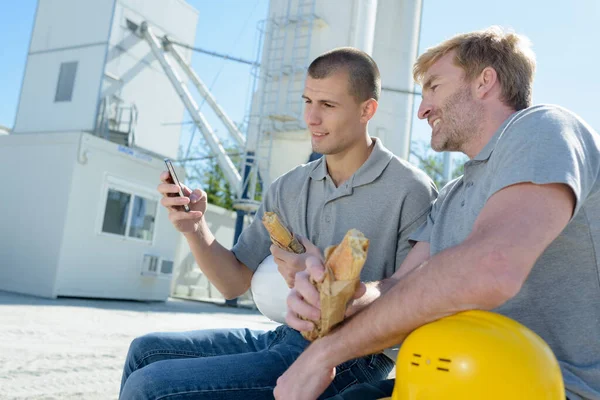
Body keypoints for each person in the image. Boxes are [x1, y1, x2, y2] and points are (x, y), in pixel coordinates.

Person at [277, 26, 600, 400]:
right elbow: (398, 286)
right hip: (450, 381)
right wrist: (340, 298)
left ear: (485, 81)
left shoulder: (543, 127)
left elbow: (491, 266)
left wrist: (325, 353)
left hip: (547, 388)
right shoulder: (451, 196)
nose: (422, 109)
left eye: (434, 87)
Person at [119, 47, 437, 399]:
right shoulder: (289, 187)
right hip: (287, 336)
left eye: (327, 106)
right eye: (307, 102)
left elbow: (415, 299)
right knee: (144, 352)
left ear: (367, 110)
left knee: (150, 387)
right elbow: (232, 283)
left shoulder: (411, 189)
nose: (311, 118)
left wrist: (327, 281)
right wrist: (194, 228)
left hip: (356, 355)